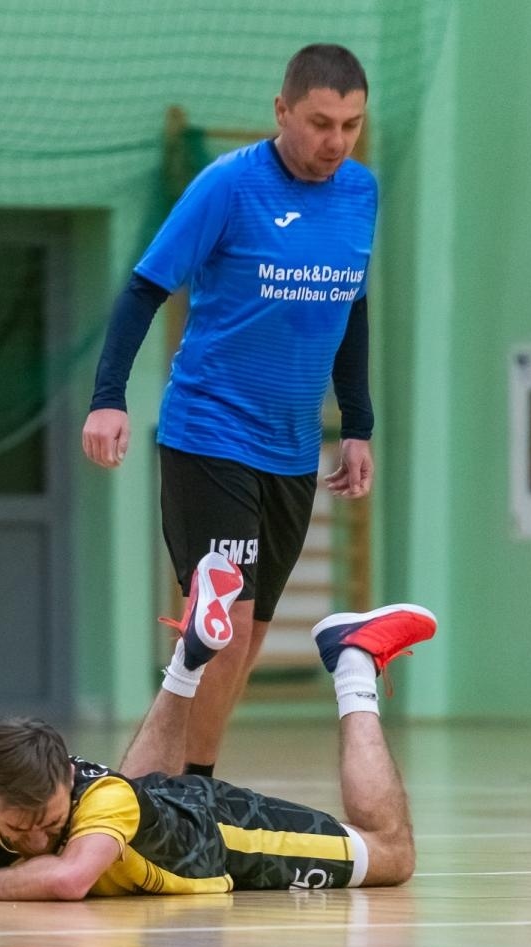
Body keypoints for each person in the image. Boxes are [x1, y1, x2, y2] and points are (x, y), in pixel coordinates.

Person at [82, 43, 378, 779]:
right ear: (282, 112)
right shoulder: (228, 186)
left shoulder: (360, 193)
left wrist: (359, 424)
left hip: (290, 446)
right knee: (226, 623)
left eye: (350, 125)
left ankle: (183, 780)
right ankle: (195, 792)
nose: (334, 142)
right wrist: (108, 400)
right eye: (319, 123)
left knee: (250, 637)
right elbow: (145, 287)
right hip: (210, 434)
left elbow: (353, 308)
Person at [0, 552, 437, 902]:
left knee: (392, 854)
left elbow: (67, 878)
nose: (37, 840)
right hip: (144, 808)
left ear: (66, 777)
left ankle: (352, 661)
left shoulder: (103, 799)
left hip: (220, 833)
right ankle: (189, 657)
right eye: (18, 830)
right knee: (127, 807)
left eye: (50, 820)